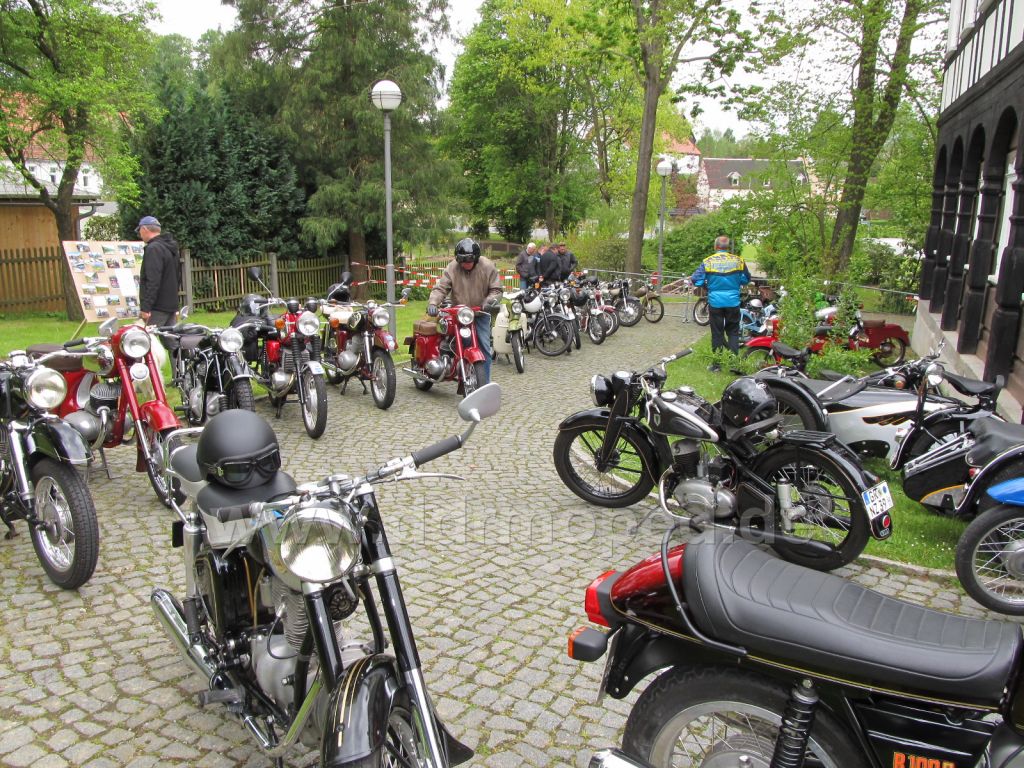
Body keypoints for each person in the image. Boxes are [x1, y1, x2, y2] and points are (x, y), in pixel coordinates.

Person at [427, 238, 503, 383]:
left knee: (485, 348)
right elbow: (441, 288)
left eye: (469, 261)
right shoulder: (452, 268)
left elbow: (496, 289)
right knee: (455, 343)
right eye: (463, 261)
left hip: (480, 313)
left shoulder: (487, 266)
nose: (466, 264)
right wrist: (433, 302)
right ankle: (453, 366)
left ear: (476, 258)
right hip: (460, 315)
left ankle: (485, 383)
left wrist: (488, 302)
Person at [691, 235, 750, 371]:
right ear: (727, 247)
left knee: (717, 333)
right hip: (733, 302)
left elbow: (695, 279)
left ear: (716, 246)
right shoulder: (738, 261)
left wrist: (706, 286)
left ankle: (716, 365)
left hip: (715, 302)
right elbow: (746, 279)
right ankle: (734, 364)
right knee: (733, 332)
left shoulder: (708, 261)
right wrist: (737, 283)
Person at [136, 215, 181, 327]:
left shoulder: (153, 248)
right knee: (169, 337)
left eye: (139, 231)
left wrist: (146, 308)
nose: (140, 234)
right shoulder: (170, 247)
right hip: (171, 305)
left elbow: (153, 280)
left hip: (157, 307)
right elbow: (177, 276)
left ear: (144, 229)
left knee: (147, 336)